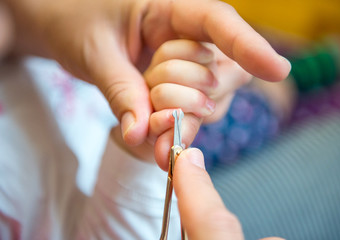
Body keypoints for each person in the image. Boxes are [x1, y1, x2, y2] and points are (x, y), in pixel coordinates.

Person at [0, 0, 291, 239]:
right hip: (138, 160)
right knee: (262, 98)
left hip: (125, 73)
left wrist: (38, 18)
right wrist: (138, 155)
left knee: (231, 65)